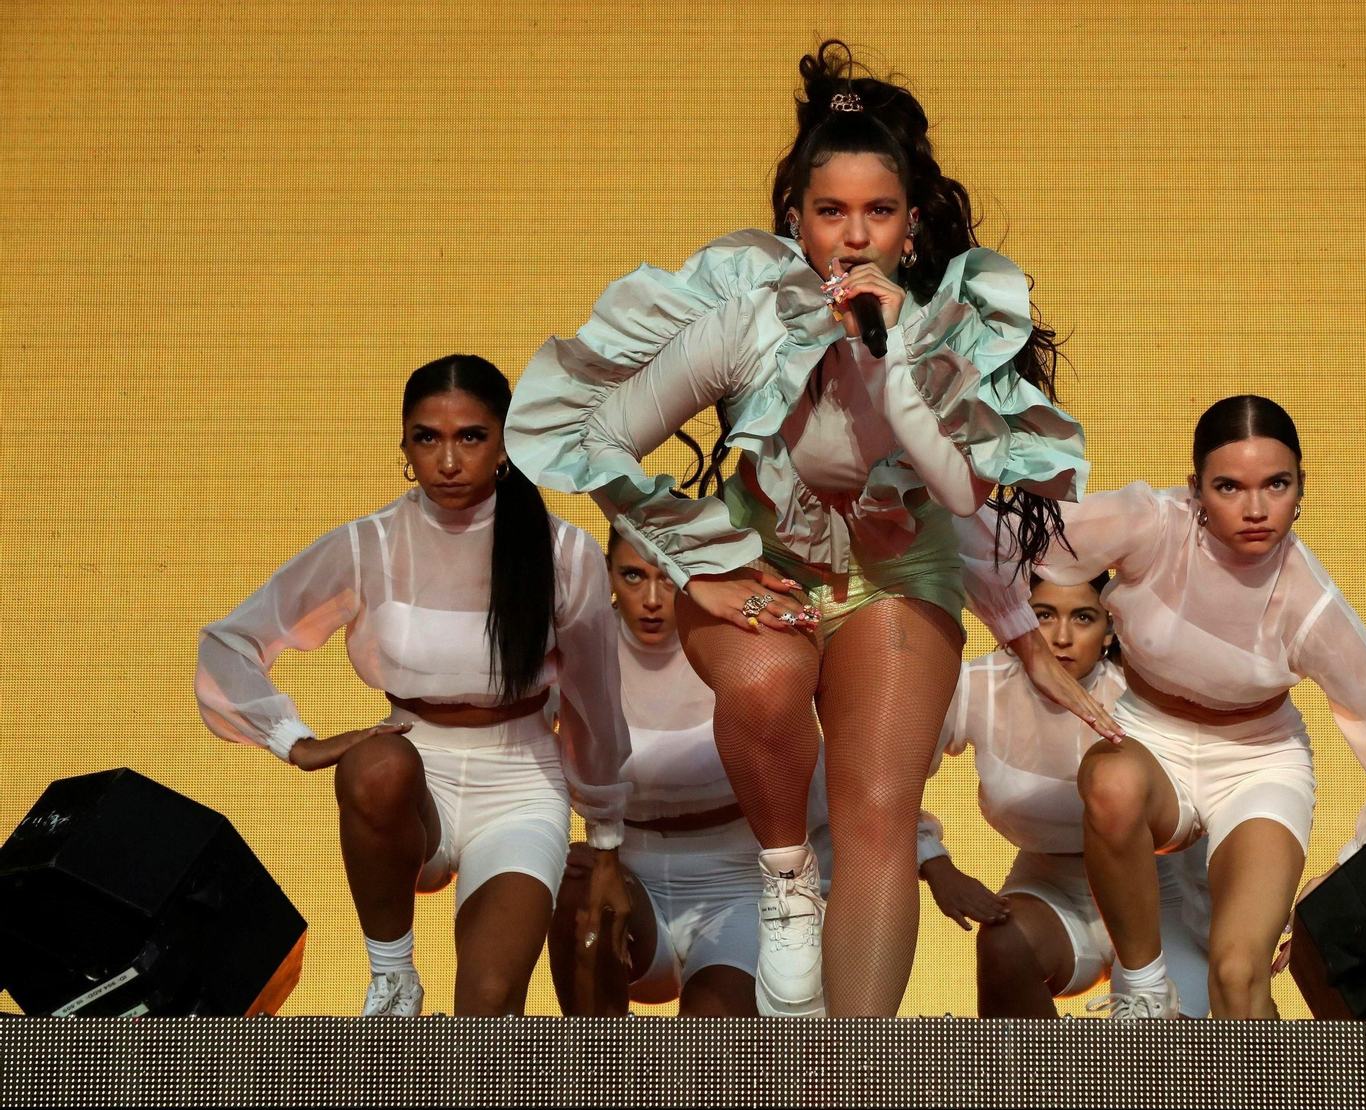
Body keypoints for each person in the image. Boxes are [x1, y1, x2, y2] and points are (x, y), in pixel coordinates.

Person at [506, 42, 1105, 1016]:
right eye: (832, 213)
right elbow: (587, 431)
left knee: (878, 812)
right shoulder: (748, 321)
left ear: (909, 228)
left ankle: (854, 1062)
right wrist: (696, 568)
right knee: (765, 677)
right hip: (756, 557)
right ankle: (786, 878)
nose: (854, 236)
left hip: (896, 569)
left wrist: (899, 351)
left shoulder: (943, 333)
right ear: (798, 221)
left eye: (877, 212)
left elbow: (960, 497)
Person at [195, 355, 631, 1017]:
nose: (448, 460)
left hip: (518, 783)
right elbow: (230, 642)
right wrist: (294, 740)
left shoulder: (563, 553)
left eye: (470, 437)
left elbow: (595, 702)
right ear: (405, 446)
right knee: (376, 765)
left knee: (486, 1006)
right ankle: (392, 978)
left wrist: (604, 847)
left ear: (506, 443)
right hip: (413, 777)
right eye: (428, 438)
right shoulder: (368, 545)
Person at [1039, 394, 1366, 1019]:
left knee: (1237, 977)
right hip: (1150, 743)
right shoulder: (1154, 523)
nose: (1257, 509)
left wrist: (1344, 875)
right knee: (1111, 779)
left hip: (1259, 765)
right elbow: (1014, 548)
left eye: (1277, 485)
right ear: (1196, 491)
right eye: (1230, 486)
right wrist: (1029, 654)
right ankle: (1144, 992)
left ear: (1300, 489)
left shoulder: (1310, 605)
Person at [548, 531, 832, 1016]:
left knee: (709, 1051)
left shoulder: (738, 646)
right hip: (629, 872)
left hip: (736, 883)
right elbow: (525, 746)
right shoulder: (581, 645)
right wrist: (567, 846)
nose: (653, 601)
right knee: (576, 904)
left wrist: (924, 853)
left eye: (668, 578)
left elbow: (826, 765)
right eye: (633, 576)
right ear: (607, 574)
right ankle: (597, 1086)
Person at [918, 571, 1212, 1018]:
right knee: (1002, 943)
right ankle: (1044, 1088)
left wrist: (1249, 917)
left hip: (1159, 896)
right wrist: (934, 862)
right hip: (1049, 889)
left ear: (1110, 627)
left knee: (1153, 1068)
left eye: (1083, 617)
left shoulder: (1147, 695)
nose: (1060, 637)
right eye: (1043, 615)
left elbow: (1224, 792)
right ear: (1017, 619)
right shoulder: (978, 686)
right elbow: (883, 780)